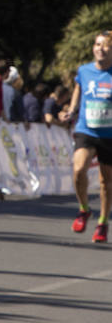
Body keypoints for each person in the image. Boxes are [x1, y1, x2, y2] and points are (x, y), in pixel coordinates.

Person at [60, 32, 112, 243]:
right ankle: (84, 209)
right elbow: (78, 89)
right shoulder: (84, 70)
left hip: (109, 134)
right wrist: (71, 110)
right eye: (98, 44)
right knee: (78, 169)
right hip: (86, 129)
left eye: (106, 46)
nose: (101, 48)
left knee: (106, 182)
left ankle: (102, 222)